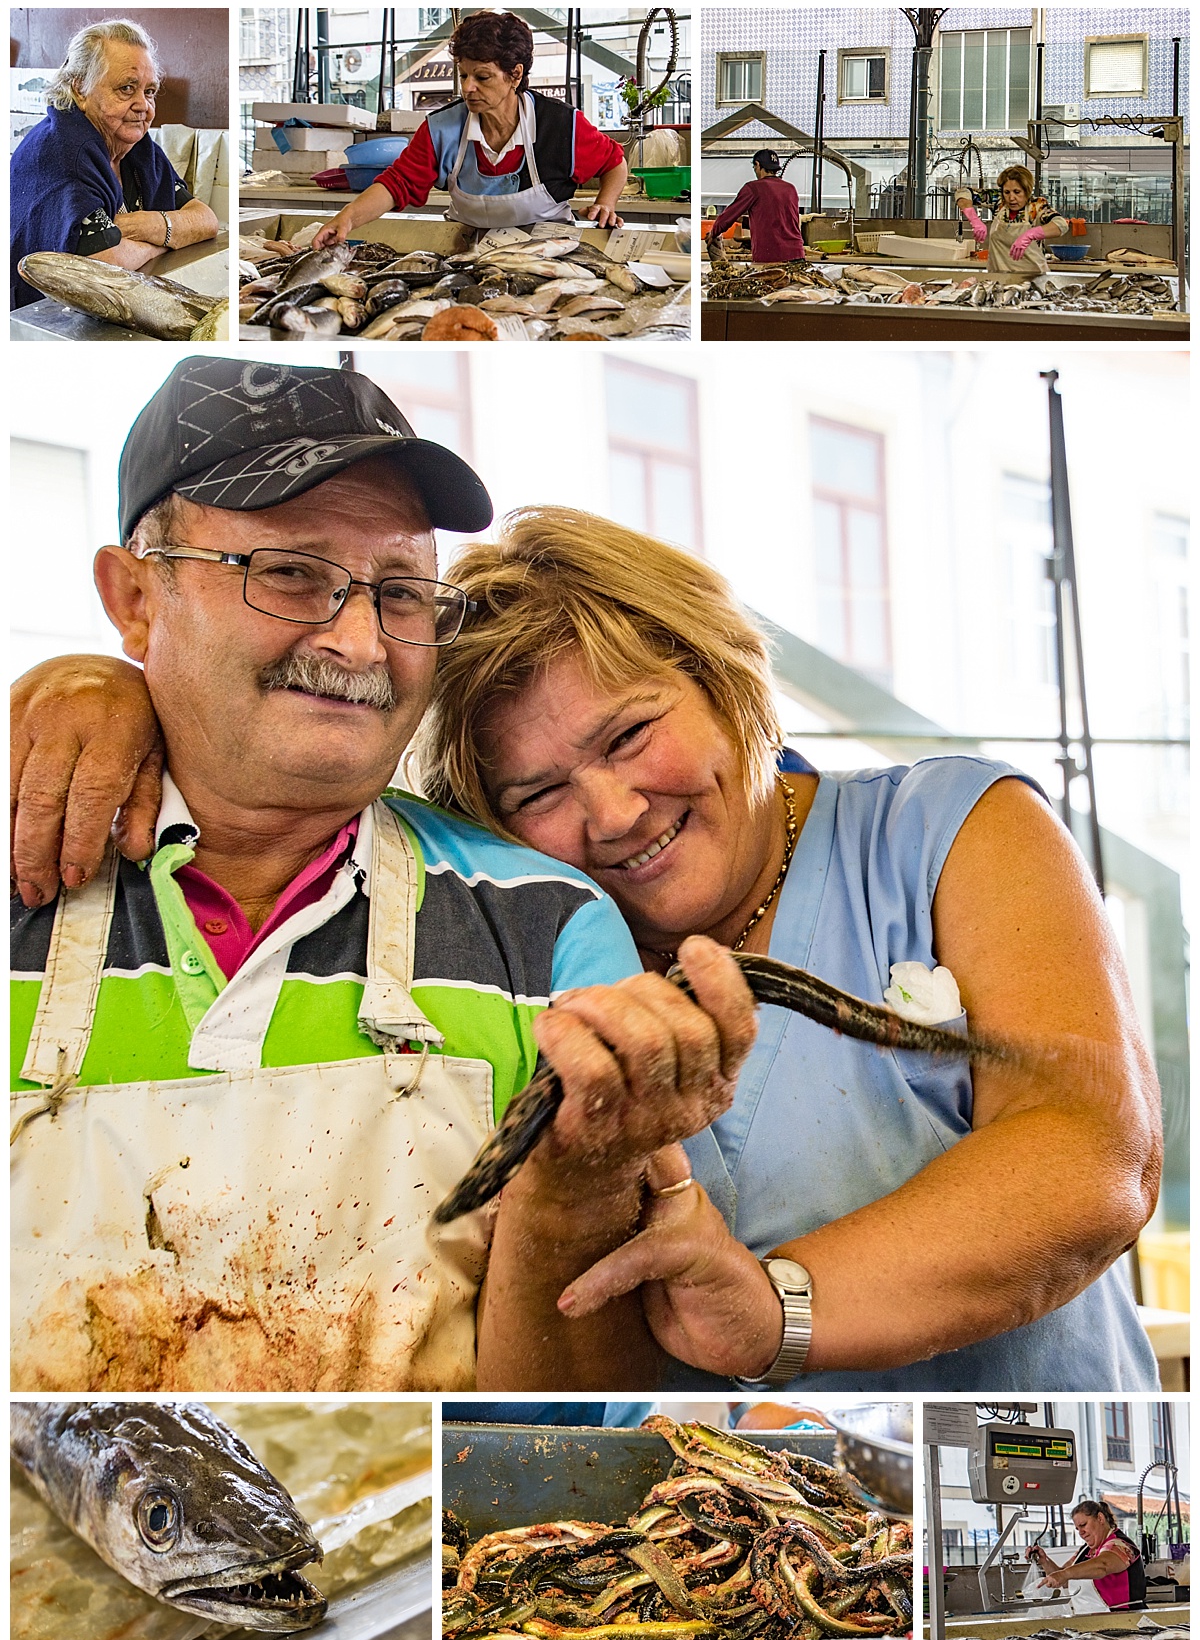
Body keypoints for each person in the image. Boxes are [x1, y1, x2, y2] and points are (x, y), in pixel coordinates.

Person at [16, 509, 1164, 1393]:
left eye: (630, 733)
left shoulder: (951, 830)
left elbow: (1091, 1152)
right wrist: (100, 687)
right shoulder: (540, 956)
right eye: (542, 791)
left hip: (1023, 1479)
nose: (612, 811)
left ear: (722, 677)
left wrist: (776, 1309)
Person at [8, 358, 756, 1395]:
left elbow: (574, 1411)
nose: (359, 641)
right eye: (289, 573)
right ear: (136, 598)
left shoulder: (546, 929)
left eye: (401, 591)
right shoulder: (25, 858)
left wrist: (574, 1187)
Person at [311, 11, 627, 242]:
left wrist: (605, 203)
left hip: (548, 255)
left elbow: (614, 162)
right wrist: (346, 219)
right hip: (467, 256)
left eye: (482, 76)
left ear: (515, 75)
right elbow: (398, 183)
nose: (468, 88)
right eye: (463, 75)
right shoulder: (442, 128)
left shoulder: (561, 126)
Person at [10, 19, 219, 310]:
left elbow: (206, 220)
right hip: (39, 318)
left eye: (149, 91)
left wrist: (149, 225)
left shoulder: (138, 149)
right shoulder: (63, 152)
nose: (143, 106)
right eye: (126, 88)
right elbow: (106, 264)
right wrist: (171, 236)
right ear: (80, 88)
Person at [1029, 1500, 1147, 1611]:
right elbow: (1064, 1580)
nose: (1081, 1532)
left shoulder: (1121, 1545)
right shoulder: (1085, 1550)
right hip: (1091, 1620)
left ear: (1100, 1518)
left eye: (1083, 1525)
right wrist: (1044, 1561)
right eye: (1077, 1529)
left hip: (1122, 1619)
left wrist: (1063, 1574)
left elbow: (1102, 1565)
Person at [954, 165, 1069, 276]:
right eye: (1007, 192)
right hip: (998, 279)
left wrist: (1031, 234)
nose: (1011, 198)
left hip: (1033, 280)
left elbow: (1061, 224)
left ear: (1027, 191)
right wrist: (974, 220)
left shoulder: (1037, 205)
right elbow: (963, 193)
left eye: (1017, 192)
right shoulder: (999, 202)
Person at [706, 150, 805, 265]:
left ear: (757, 164)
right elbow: (780, 220)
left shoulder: (753, 188)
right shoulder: (790, 189)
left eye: (754, 167)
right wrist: (744, 221)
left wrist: (713, 232)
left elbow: (729, 215)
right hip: (797, 254)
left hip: (772, 257)